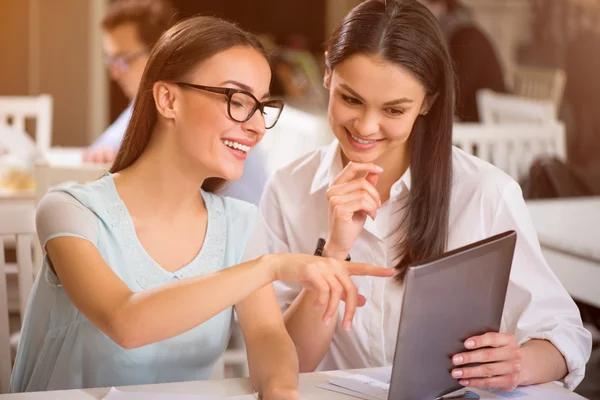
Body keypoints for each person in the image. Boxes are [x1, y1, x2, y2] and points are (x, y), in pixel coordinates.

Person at [10, 15, 393, 394]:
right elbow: (126, 322)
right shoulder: (69, 211)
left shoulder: (239, 224)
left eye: (261, 107)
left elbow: (268, 341)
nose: (257, 126)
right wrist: (272, 267)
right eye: (238, 100)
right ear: (168, 99)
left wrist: (281, 391)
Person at [244, 0, 592, 392]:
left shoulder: (484, 193)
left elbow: (564, 333)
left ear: (427, 101)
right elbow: (283, 366)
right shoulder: (289, 189)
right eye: (350, 99)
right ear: (327, 73)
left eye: (393, 110)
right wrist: (334, 254)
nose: (366, 126)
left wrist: (519, 363)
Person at [83, 0, 269, 204]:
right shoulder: (145, 105)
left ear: (160, 52)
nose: (115, 73)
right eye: (111, 61)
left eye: (124, 59)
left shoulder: (230, 134)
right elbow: (101, 150)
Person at [420, 0, 506, 122]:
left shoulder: (467, 36)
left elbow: (457, 88)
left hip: (489, 120)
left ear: (442, 6)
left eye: (426, 5)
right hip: (473, 116)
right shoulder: (453, 35)